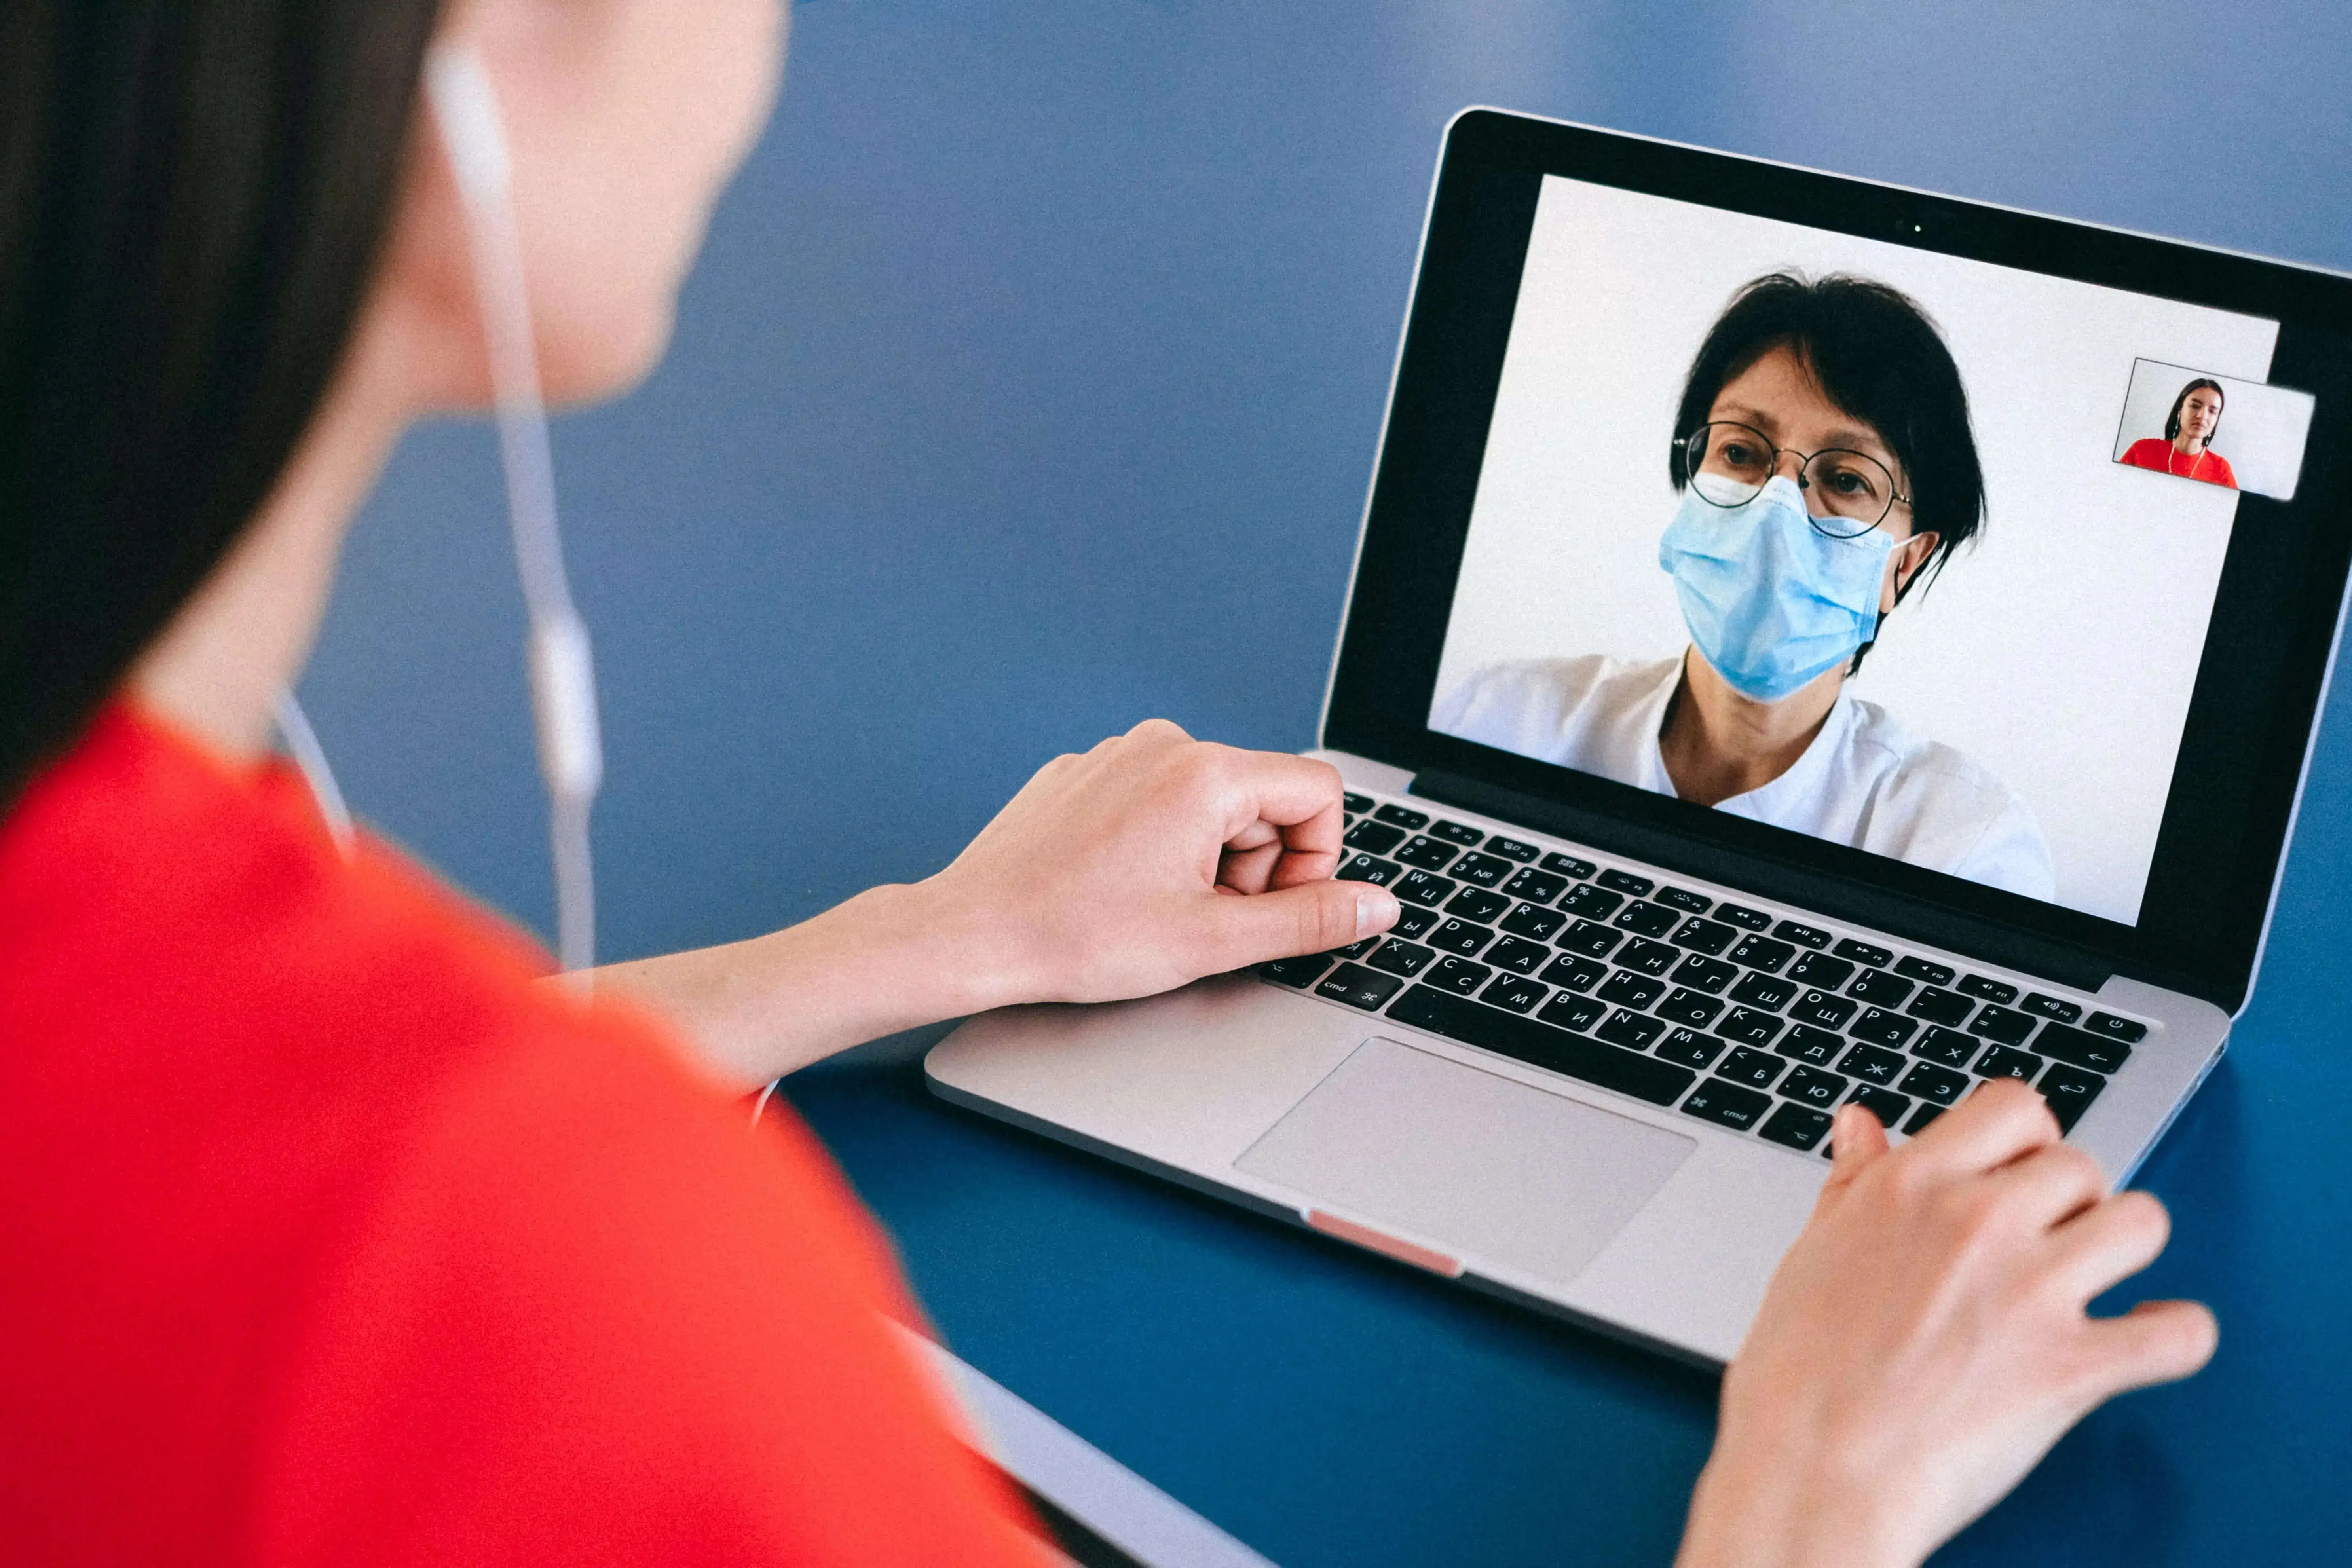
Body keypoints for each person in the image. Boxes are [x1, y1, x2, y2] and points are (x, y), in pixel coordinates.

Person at [0, 6, 2214, 1566]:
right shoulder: (617, 1299)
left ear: (1914, 555)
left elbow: (249, 1160)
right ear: (483, 53)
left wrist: (934, 942)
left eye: (1843, 489)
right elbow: (421, 1242)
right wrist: (1804, 1504)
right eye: (1741, 458)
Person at [1437, 273, 2058, 901]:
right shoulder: (1500, 719)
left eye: (1845, 478)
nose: (1776, 509)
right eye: (1739, 453)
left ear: (1901, 564)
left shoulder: (1963, 847)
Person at [2120, 376, 2239, 488]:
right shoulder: (2142, 451)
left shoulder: (2221, 470)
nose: (2202, 416)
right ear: (2180, 409)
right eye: (2195, 406)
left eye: (2213, 412)